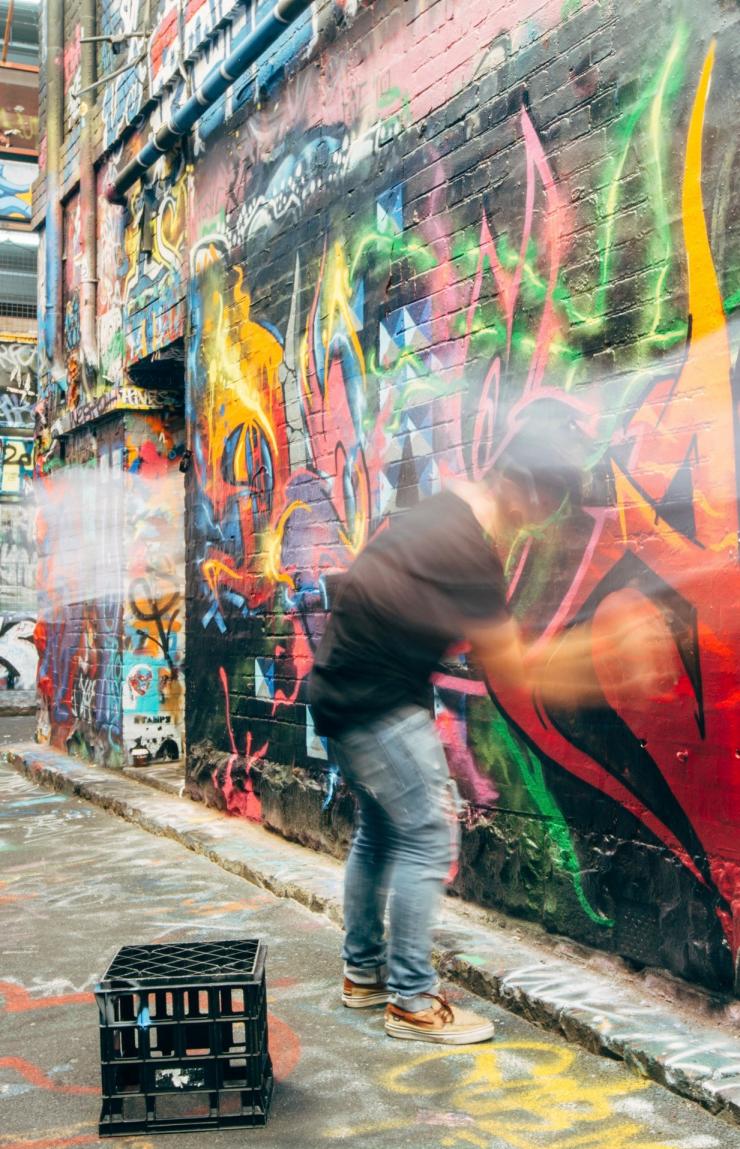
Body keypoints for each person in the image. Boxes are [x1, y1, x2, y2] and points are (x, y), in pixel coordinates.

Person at [307, 407, 676, 1045]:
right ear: (529, 486)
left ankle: (364, 975)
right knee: (427, 832)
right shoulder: (468, 552)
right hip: (376, 704)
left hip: (338, 694)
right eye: (555, 495)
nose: (557, 512)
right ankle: (413, 1002)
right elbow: (517, 675)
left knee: (378, 831)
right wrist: (612, 666)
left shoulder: (441, 516)